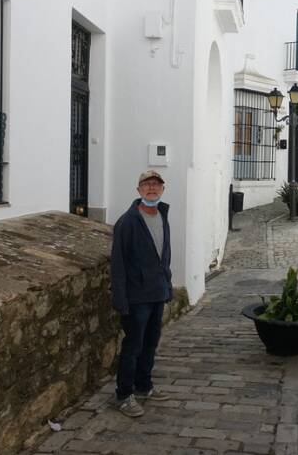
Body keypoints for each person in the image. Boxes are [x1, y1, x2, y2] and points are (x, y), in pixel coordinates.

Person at [110, 169, 173, 417]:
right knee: (133, 346)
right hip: (136, 298)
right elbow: (118, 264)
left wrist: (167, 287)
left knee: (150, 344)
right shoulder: (127, 222)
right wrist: (120, 299)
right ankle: (124, 395)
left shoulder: (162, 215)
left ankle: (143, 386)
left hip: (157, 293)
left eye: (156, 184)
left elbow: (163, 256)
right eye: (147, 184)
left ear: (162, 189)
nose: (152, 188)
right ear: (139, 190)